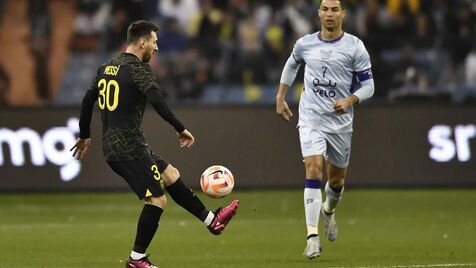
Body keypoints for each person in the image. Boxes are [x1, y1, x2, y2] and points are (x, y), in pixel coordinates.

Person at [70, 20, 239, 268]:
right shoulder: (139, 70)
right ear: (142, 42)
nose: (156, 48)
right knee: (157, 201)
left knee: (170, 174)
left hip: (125, 145)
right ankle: (137, 258)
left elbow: (87, 101)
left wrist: (84, 133)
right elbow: (157, 101)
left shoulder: (107, 67)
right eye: (154, 42)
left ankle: (211, 221)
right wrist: (180, 128)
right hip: (127, 148)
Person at [275, 0, 374, 260]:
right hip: (311, 118)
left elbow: (369, 86)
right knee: (313, 169)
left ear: (343, 13)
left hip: (340, 122)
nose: (329, 14)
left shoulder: (355, 47)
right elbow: (291, 64)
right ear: (319, 13)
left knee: (337, 181)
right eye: (325, 9)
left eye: (334, 9)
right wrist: (281, 96)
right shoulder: (305, 43)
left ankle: (328, 211)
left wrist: (350, 100)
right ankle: (311, 237)